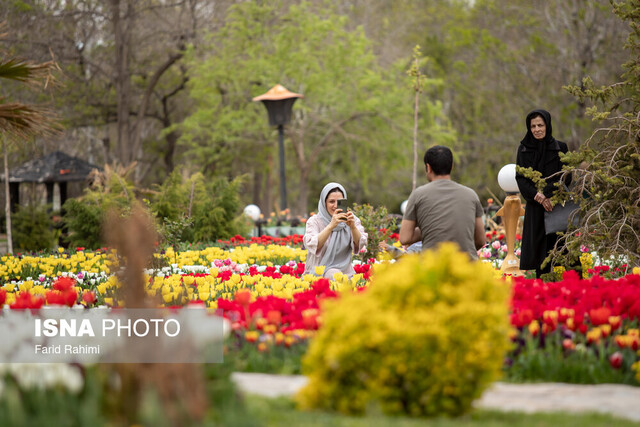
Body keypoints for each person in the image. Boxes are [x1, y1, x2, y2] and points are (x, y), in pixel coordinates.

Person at [399, 145, 486, 259]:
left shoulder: (418, 195)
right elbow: (480, 240)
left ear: (428, 167)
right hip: (467, 267)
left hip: (433, 268)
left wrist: (427, 229)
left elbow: (405, 238)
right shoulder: (471, 194)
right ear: (452, 166)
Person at [515, 109, 570, 278]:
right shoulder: (524, 149)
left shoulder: (560, 147)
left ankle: (576, 288)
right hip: (536, 208)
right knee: (541, 256)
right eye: (533, 126)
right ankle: (543, 292)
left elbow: (566, 176)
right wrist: (537, 196)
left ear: (547, 125)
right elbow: (521, 178)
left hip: (556, 207)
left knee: (564, 251)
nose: (537, 129)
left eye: (540, 125)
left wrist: (548, 195)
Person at [303, 182, 368, 279]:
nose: (336, 205)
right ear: (324, 203)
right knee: (333, 274)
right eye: (331, 201)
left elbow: (360, 243)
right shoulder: (314, 221)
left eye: (340, 202)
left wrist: (353, 227)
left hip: (346, 272)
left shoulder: (351, 219)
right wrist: (331, 226)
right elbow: (312, 244)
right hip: (318, 273)